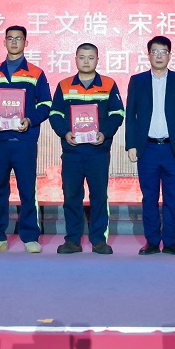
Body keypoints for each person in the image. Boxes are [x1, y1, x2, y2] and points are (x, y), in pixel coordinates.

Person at [0, 26, 53, 253]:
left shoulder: (36, 73)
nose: (14, 42)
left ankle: (30, 237)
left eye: (18, 39)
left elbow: (46, 104)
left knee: (27, 189)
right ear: (4, 42)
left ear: (25, 43)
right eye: (10, 38)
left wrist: (30, 120)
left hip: (24, 140)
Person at [49, 43, 125, 254]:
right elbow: (55, 114)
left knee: (99, 196)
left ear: (97, 60)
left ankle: (99, 240)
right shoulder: (64, 85)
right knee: (71, 196)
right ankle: (72, 240)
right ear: (75, 59)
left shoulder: (108, 84)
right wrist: (65, 132)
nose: (86, 61)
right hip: (72, 152)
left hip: (98, 151)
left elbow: (117, 113)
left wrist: (105, 133)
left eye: (91, 58)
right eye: (82, 57)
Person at [125, 36, 175, 256]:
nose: (159, 55)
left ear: (169, 55)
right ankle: (152, 241)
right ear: (148, 55)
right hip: (147, 148)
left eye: (163, 51)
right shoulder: (137, 81)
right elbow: (130, 116)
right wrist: (131, 144)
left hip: (173, 149)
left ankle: (171, 242)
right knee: (149, 198)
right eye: (154, 51)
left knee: (172, 198)